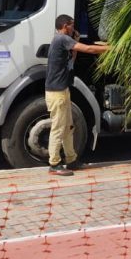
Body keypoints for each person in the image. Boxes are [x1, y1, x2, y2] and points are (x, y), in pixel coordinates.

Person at [46, 14, 108, 176]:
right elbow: (88, 49)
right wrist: (111, 49)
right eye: (72, 25)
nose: (74, 28)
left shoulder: (62, 42)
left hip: (62, 90)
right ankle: (54, 164)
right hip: (56, 93)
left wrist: (76, 40)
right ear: (65, 26)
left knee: (68, 127)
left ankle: (71, 160)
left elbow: (71, 60)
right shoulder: (61, 39)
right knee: (58, 127)